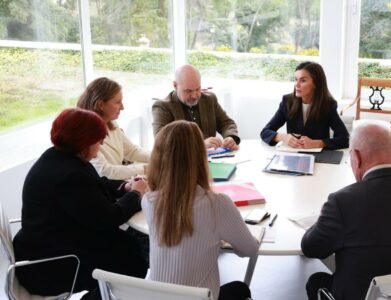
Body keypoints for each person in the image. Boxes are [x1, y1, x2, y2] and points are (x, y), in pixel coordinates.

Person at [13, 108, 148, 299]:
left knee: (132, 245)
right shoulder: (70, 176)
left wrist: (126, 187)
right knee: (135, 262)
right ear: (83, 141)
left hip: (46, 245)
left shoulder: (57, 157)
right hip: (53, 265)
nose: (101, 144)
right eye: (98, 139)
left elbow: (96, 185)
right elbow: (109, 218)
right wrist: (135, 194)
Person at [301, 124, 391, 300]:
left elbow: (311, 248)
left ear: (356, 157)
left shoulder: (342, 201)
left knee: (316, 281)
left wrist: (323, 217)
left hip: (362, 295)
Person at [143, 120, 259, 300]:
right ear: (200, 157)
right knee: (240, 289)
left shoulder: (149, 201)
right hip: (200, 297)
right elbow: (250, 250)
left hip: (158, 297)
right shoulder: (217, 204)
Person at [260, 61, 349, 150]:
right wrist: (283, 137)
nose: (296, 85)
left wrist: (318, 143)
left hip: (319, 158)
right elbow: (265, 132)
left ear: (316, 84)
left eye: (303, 80)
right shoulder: (287, 101)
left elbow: (345, 138)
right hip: (292, 157)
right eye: (296, 79)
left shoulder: (328, 105)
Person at [152, 65, 240, 150]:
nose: (194, 96)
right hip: (181, 163)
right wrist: (200, 145)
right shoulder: (162, 107)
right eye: (188, 91)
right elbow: (161, 142)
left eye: (198, 89)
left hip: (212, 159)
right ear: (175, 85)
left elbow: (227, 123)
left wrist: (230, 137)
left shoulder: (209, 99)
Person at [77, 77, 150, 180]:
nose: (122, 107)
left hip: (117, 184)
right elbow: (104, 171)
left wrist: (160, 158)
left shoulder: (111, 123)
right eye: (117, 102)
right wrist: (145, 169)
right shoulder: (85, 132)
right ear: (101, 105)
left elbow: (131, 151)